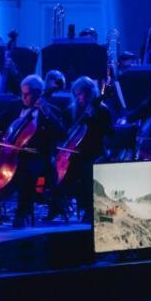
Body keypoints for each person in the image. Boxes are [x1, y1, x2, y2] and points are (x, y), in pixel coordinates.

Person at [0, 74, 64, 227]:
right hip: (10, 152)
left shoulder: (52, 111)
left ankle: (22, 213)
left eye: (27, 94)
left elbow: (61, 133)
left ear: (39, 93)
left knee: (25, 169)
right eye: (22, 93)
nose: (23, 97)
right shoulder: (15, 105)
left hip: (37, 156)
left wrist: (47, 113)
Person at [49, 76, 113, 222]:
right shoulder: (71, 111)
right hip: (73, 153)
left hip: (94, 152)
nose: (78, 98)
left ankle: (89, 209)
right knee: (52, 168)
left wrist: (94, 119)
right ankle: (57, 206)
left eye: (81, 94)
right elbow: (62, 133)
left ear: (90, 93)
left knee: (85, 170)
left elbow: (110, 133)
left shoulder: (102, 111)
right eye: (76, 95)